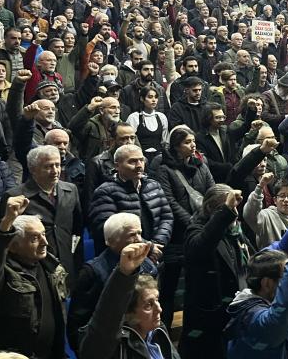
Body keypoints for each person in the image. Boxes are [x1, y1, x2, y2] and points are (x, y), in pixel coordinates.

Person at [0, 194, 68, 358]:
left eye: (44, 234)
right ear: (13, 246)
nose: (45, 242)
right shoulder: (0, 273)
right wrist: (7, 221)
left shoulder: (51, 267)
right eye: (34, 238)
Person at [151, 126, 215, 325]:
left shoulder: (201, 165)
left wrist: (206, 222)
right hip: (177, 238)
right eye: (187, 142)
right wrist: (192, 223)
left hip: (201, 232)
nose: (193, 145)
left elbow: (212, 192)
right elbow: (169, 201)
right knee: (169, 289)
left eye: (193, 141)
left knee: (198, 287)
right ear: (176, 147)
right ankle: (164, 332)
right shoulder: (165, 169)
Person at [66, 212, 157, 350]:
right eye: (132, 235)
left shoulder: (149, 266)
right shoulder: (92, 272)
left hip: (142, 342)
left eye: (140, 233)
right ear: (112, 240)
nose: (139, 239)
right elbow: (78, 325)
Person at [181, 185, 251, 358]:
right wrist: (226, 212)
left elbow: (254, 257)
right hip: (207, 320)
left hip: (234, 311)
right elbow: (200, 248)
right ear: (212, 209)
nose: (233, 211)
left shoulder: (234, 229)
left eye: (234, 207)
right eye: (228, 207)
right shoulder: (195, 228)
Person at [78, 241, 180, 359]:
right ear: (129, 313)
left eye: (157, 300)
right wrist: (123, 272)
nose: (159, 309)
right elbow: (105, 323)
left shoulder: (158, 330)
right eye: (148, 305)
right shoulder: (116, 347)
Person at [224, 236, 288, 358]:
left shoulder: (264, 303)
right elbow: (277, 322)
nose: (287, 280)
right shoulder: (250, 316)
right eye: (285, 276)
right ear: (267, 284)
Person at [2, 145, 83, 286]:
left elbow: (77, 230)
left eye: (57, 165)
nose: (55, 171)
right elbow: (8, 238)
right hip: (34, 268)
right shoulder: (15, 197)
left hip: (66, 262)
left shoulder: (71, 189)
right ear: (33, 169)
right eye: (48, 166)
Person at [89, 144, 172, 260]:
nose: (139, 165)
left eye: (141, 160)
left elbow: (166, 217)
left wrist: (157, 244)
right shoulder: (105, 191)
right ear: (117, 166)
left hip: (156, 254)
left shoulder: (153, 185)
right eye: (132, 162)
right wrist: (149, 247)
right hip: (123, 259)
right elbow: (110, 230)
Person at [242, 172, 288, 248]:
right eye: (282, 196)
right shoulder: (266, 216)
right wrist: (260, 187)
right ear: (275, 200)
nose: (286, 200)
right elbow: (248, 214)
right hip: (271, 258)